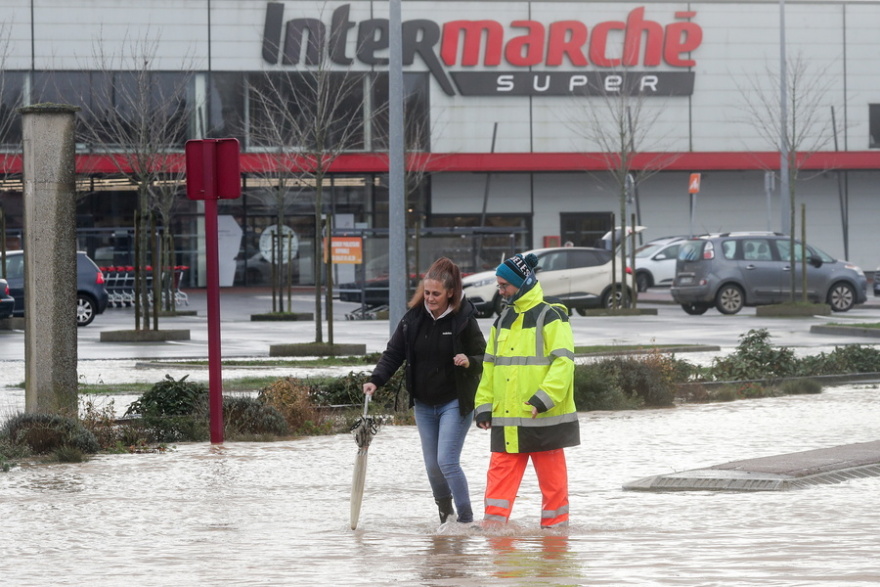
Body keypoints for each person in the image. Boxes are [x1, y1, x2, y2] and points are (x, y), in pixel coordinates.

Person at [363, 257, 486, 525]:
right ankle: (446, 518)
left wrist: (469, 360)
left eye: (436, 294)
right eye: (427, 292)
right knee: (432, 466)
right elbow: (393, 353)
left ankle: (466, 522)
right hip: (424, 404)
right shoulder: (413, 320)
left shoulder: (464, 319)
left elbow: (484, 356)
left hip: (455, 401)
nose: (430, 298)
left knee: (447, 461)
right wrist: (376, 379)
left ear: (450, 292)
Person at [474, 252, 580, 529]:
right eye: (499, 285)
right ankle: (495, 544)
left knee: (553, 488)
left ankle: (556, 546)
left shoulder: (552, 315)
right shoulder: (502, 320)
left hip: (542, 417)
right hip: (507, 420)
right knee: (497, 489)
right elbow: (490, 367)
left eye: (504, 285)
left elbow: (564, 362)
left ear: (522, 281)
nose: (500, 291)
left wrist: (543, 399)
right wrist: (483, 406)